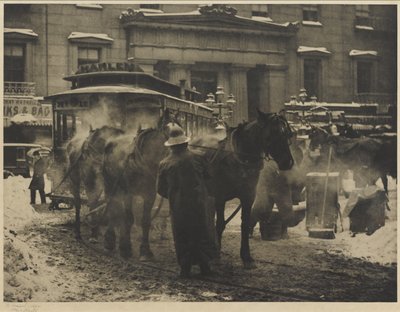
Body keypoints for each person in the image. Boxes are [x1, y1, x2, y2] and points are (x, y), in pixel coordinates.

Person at [157, 125, 217, 278]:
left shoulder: (164, 163)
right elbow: (210, 176)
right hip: (198, 202)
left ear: (171, 145)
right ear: (185, 143)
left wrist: (173, 195)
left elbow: (160, 189)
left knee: (181, 234)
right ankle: (205, 267)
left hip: (178, 206)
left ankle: (185, 269)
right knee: (201, 232)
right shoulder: (199, 157)